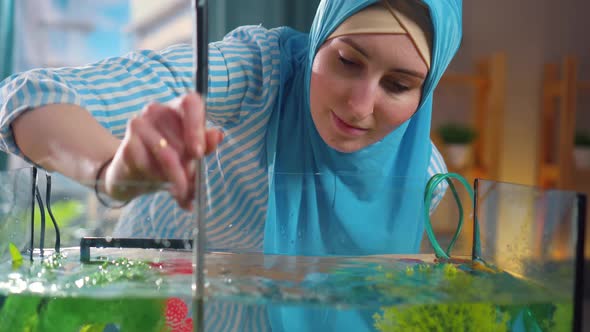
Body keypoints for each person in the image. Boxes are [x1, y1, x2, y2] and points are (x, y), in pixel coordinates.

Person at [0, 0, 462, 330]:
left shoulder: (424, 180)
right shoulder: (259, 70)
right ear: (321, 37)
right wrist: (108, 170)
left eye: (398, 85)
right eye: (346, 61)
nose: (360, 105)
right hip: (154, 306)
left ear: (426, 93)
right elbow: (28, 96)